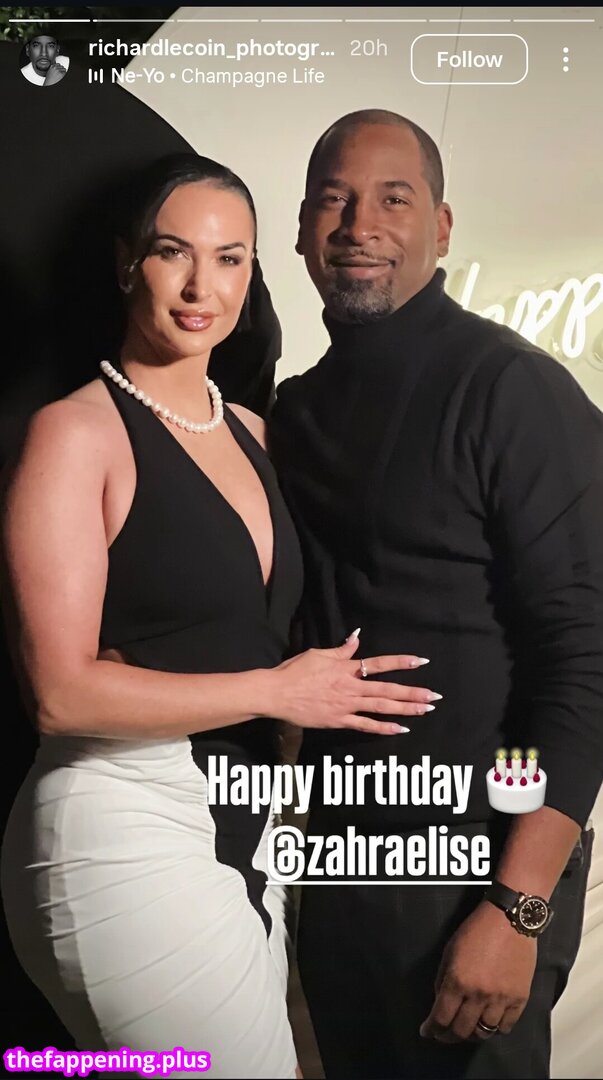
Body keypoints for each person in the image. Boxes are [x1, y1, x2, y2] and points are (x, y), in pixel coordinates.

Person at [0, 153, 439, 1080]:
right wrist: (278, 692)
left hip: (245, 824)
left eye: (230, 258)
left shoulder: (254, 433)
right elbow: (60, 694)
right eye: (174, 252)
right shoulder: (75, 435)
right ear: (128, 263)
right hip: (123, 824)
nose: (203, 287)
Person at [269, 110, 603, 1079]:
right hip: (342, 860)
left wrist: (517, 906)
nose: (359, 225)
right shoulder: (293, 411)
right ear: (301, 228)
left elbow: (585, 659)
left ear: (443, 228)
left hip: (479, 871)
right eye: (334, 199)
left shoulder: (512, 389)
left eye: (394, 199)